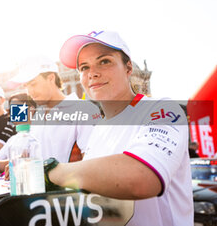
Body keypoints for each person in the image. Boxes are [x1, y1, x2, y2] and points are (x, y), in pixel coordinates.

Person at [42, 30, 193, 225]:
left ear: (128, 67)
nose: (92, 73)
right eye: (84, 67)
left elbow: (141, 179)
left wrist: (50, 171)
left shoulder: (162, 109)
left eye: (104, 61)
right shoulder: (98, 129)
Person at [0, 55, 100, 175]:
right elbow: (31, 159)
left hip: (67, 197)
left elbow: (92, 164)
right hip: (36, 193)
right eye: (26, 86)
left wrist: (43, 172)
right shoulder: (38, 116)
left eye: (34, 84)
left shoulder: (84, 110)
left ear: (51, 78)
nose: (30, 92)